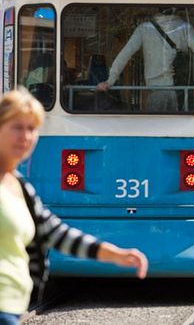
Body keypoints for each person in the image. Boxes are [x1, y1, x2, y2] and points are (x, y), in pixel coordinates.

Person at [0, 89, 148, 324]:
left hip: (12, 307)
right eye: (17, 127)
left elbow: (55, 233)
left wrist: (114, 254)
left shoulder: (18, 186)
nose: (25, 137)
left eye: (31, 129)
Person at [97, 9, 194, 112]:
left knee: (155, 127)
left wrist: (110, 80)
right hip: (180, 90)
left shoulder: (144, 28)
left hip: (155, 89)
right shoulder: (185, 28)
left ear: (156, 10)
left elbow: (125, 54)